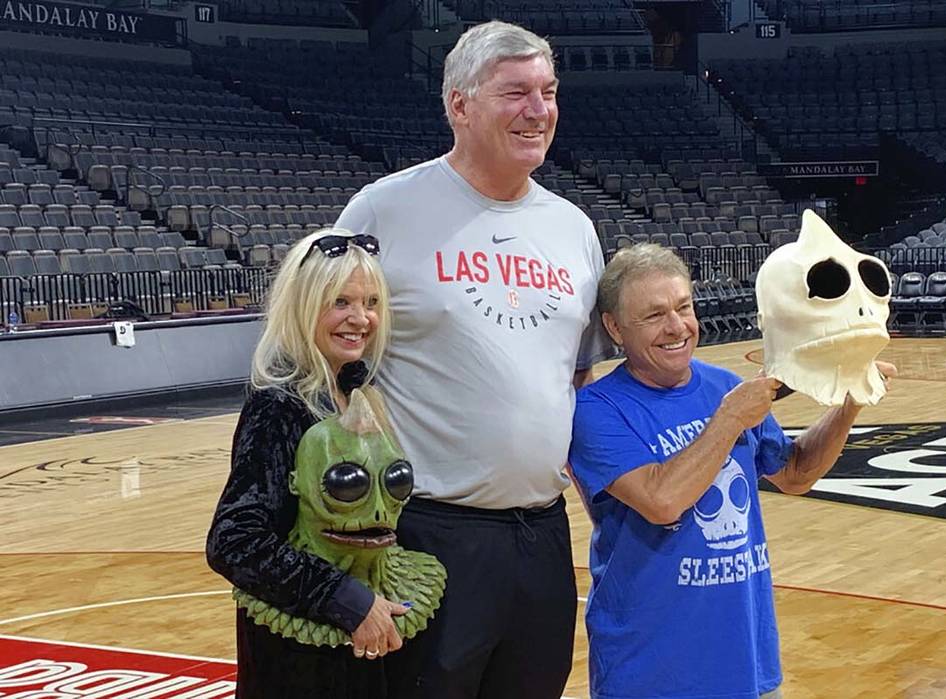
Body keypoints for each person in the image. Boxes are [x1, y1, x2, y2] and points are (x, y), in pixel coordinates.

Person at [334, 20, 616, 699]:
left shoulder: (574, 229)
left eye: (548, 92)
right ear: (459, 104)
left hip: (541, 533)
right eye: (516, 92)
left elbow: (573, 377)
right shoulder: (384, 209)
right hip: (426, 529)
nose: (539, 110)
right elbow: (322, 359)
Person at [567, 244, 897, 699]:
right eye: (654, 315)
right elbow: (661, 501)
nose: (677, 326)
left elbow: (796, 474)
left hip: (748, 662)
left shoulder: (723, 387)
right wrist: (726, 420)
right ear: (614, 327)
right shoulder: (595, 410)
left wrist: (851, 401)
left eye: (684, 307)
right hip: (651, 672)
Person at [206, 229, 409, 698]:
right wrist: (343, 598)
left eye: (372, 302)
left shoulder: (356, 391)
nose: (361, 318)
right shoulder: (279, 404)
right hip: (298, 662)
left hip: (351, 647)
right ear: (303, 306)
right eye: (340, 302)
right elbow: (234, 540)